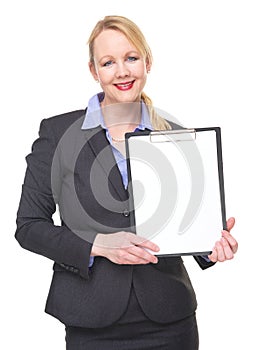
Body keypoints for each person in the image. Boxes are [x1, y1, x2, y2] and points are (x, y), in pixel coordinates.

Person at [15, 15, 238, 350]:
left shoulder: (176, 138)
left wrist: (213, 244)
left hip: (170, 322)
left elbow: (187, 226)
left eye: (131, 58)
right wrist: (97, 245)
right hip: (91, 321)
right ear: (94, 71)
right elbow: (29, 226)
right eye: (108, 62)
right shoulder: (58, 134)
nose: (122, 71)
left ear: (147, 62)